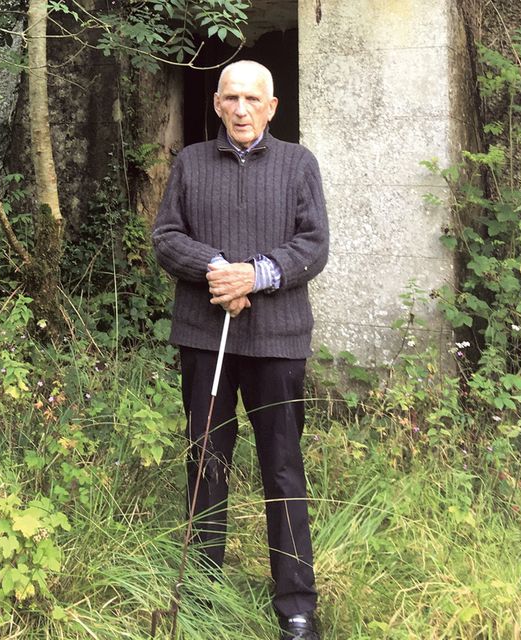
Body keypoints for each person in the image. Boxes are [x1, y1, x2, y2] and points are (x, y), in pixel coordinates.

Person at [152, 60, 329, 640]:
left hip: (277, 342)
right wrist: (217, 272)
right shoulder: (190, 163)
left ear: (272, 107)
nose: (242, 109)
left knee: (282, 469)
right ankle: (200, 591)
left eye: (254, 99)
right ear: (218, 105)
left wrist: (256, 276)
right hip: (206, 340)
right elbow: (167, 237)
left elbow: (313, 243)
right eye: (231, 98)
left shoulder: (299, 164)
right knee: (207, 463)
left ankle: (297, 606)